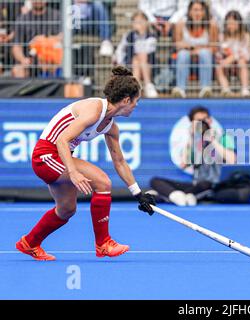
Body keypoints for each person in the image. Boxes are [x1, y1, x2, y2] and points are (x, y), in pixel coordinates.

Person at [15, 66, 155, 261]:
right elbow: (62, 140)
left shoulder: (110, 127)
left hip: (60, 158)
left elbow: (120, 161)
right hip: (46, 156)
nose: (136, 106)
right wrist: (73, 173)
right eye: (136, 101)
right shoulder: (94, 109)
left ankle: (29, 243)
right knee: (103, 182)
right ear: (125, 100)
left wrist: (138, 194)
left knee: (66, 209)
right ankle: (103, 243)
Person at [150, 106, 236, 206]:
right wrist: (192, 138)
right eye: (199, 121)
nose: (203, 123)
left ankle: (165, 196)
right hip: (196, 185)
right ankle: (178, 195)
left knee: (206, 184)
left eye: (205, 120)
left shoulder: (223, 137)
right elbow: (184, 164)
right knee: (155, 180)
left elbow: (232, 160)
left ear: (210, 120)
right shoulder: (194, 140)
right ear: (192, 123)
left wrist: (213, 141)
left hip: (214, 184)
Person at [171, 0, 219, 98]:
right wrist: (193, 49)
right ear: (189, 11)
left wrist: (196, 49)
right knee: (183, 54)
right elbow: (177, 44)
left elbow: (214, 47)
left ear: (205, 12)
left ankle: (205, 89)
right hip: (186, 59)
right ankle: (181, 89)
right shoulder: (181, 24)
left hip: (204, 60)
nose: (198, 13)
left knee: (205, 53)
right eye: (195, 10)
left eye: (201, 10)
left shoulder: (211, 25)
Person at [11, 0, 62, 78]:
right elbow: (16, 46)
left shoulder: (57, 15)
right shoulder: (22, 19)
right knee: (17, 70)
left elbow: (64, 36)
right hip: (31, 61)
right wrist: (23, 59)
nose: (38, 1)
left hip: (52, 59)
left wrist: (45, 40)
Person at [114, 11, 158, 98]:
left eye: (141, 21)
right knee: (136, 60)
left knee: (141, 56)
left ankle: (144, 85)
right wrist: (121, 63)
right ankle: (140, 87)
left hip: (148, 66)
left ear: (146, 22)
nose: (139, 24)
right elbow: (120, 50)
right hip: (132, 65)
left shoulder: (152, 36)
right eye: (136, 22)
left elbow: (147, 50)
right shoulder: (128, 36)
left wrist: (141, 35)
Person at [215, 10, 250, 97]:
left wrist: (232, 57)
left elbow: (247, 54)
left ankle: (245, 89)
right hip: (226, 64)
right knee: (219, 67)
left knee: (242, 62)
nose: (231, 26)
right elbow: (218, 53)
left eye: (234, 23)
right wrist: (221, 58)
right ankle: (225, 90)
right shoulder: (221, 36)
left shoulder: (245, 36)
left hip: (239, 63)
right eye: (229, 23)